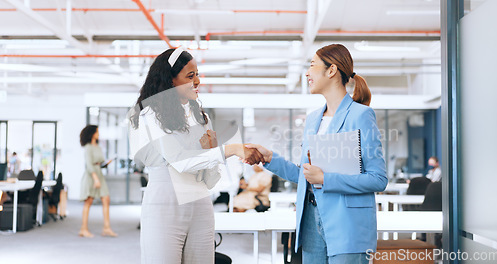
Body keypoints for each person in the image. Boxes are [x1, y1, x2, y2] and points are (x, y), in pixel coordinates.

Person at [246, 44, 387, 263]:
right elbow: (306, 175)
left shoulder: (361, 115)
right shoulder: (313, 119)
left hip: (347, 224)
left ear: (331, 71)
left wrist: (325, 179)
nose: (307, 73)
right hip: (311, 221)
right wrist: (270, 158)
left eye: (312, 65)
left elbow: (378, 179)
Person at [128, 47, 263, 264]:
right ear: (170, 80)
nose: (198, 81)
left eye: (198, 74)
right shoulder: (149, 115)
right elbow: (181, 162)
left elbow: (209, 178)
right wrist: (231, 149)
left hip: (200, 204)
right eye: (190, 76)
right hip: (165, 205)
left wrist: (210, 152)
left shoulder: (201, 117)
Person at [79, 125, 117, 238]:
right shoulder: (88, 147)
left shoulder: (98, 147)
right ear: (92, 133)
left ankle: (106, 228)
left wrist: (107, 163)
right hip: (91, 175)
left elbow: (99, 162)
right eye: (97, 131)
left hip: (99, 172)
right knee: (89, 201)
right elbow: (89, 165)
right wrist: (95, 179)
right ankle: (83, 229)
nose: (98, 133)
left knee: (106, 199)